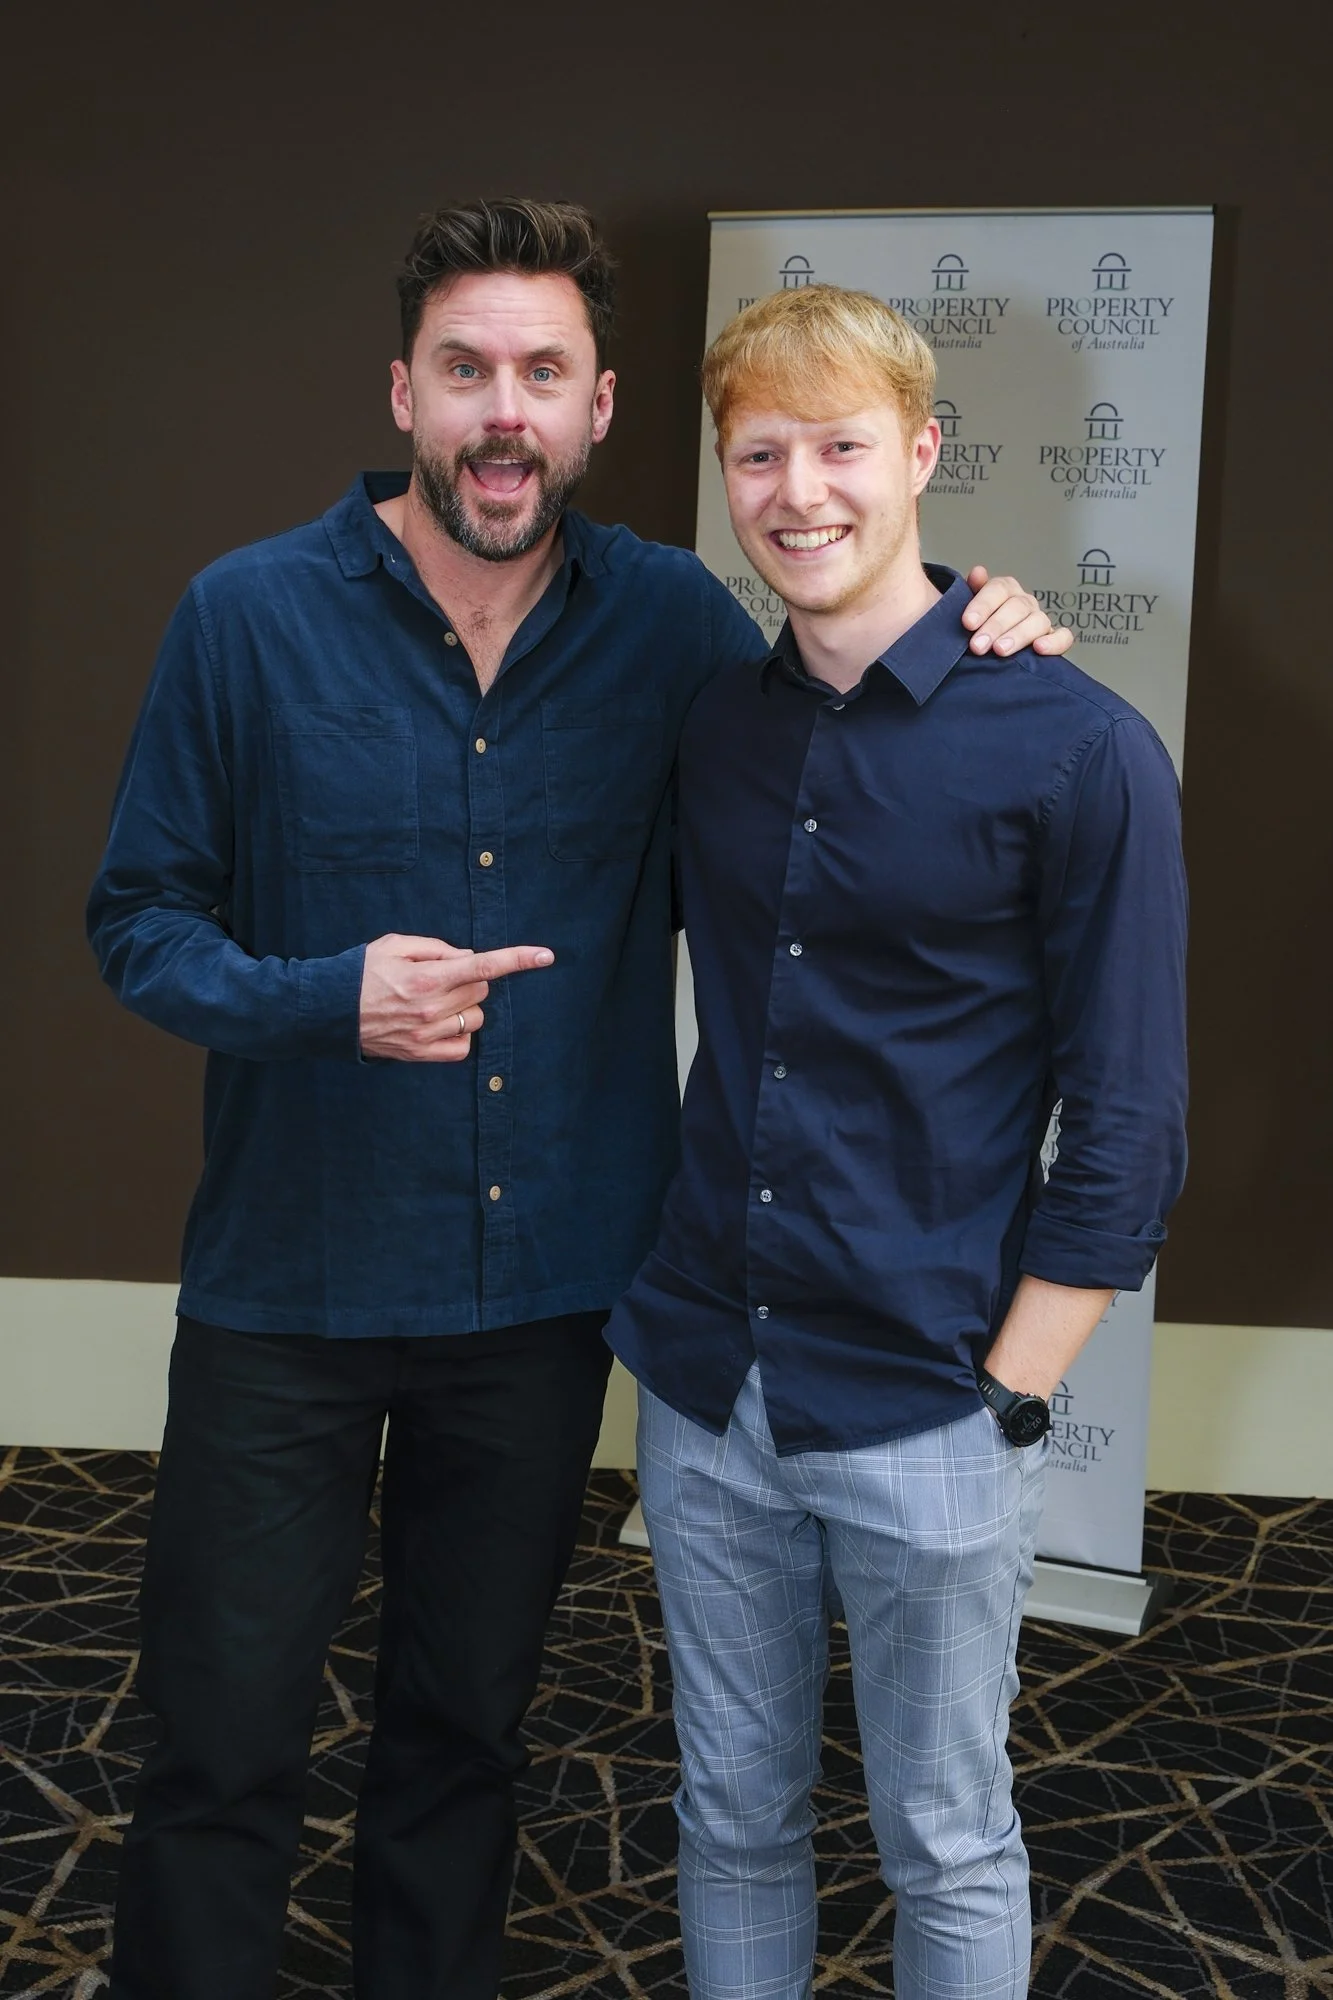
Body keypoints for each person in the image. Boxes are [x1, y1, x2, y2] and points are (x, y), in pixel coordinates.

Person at [86, 200, 1071, 2000]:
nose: (502, 411)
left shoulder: (682, 630)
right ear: (406, 389)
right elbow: (136, 925)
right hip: (286, 1292)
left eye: (544, 372)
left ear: (602, 405)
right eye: (466, 370)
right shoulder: (246, 617)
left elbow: (847, 714)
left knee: (463, 1747)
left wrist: (984, 603)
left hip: (544, 1302)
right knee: (220, 1752)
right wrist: (325, 1000)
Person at [606, 282, 1188, 2000]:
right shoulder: (717, 723)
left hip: (933, 1397)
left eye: (844, 446)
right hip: (711, 1384)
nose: (803, 492)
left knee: (947, 1840)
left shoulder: (1081, 750)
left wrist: (1010, 1395)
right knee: (729, 1819)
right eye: (761, 455)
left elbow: (1135, 1120)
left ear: (925, 452)